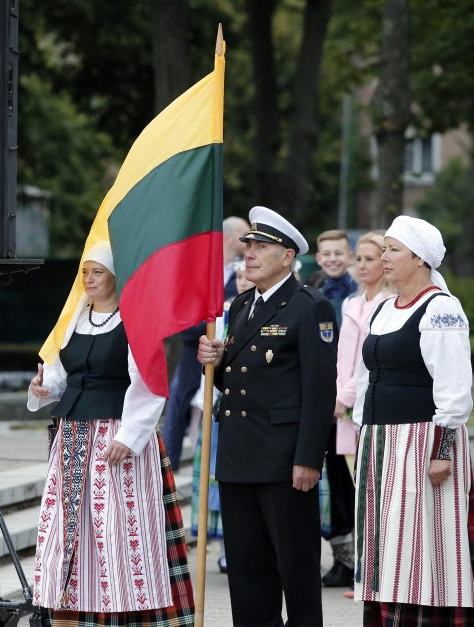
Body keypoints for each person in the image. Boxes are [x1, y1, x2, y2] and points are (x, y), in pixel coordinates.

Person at [27, 241, 194, 625]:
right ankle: (69, 609)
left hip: (115, 436)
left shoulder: (136, 320)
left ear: (117, 278)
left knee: (116, 528)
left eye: (97, 272)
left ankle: (123, 610)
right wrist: (44, 388)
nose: (88, 279)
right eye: (85, 272)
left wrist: (130, 436)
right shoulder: (74, 318)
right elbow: (60, 374)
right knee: (69, 529)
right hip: (72, 437)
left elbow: (151, 383)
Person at [197, 206, 337, 627]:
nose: (250, 254)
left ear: (288, 256)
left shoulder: (310, 307)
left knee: (295, 570)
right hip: (240, 455)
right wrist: (216, 363)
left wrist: (309, 458)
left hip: (283, 460)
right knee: (247, 571)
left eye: (261, 247)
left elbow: (318, 389)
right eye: (248, 246)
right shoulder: (241, 305)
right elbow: (239, 381)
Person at [351, 215, 474, 625]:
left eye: (394, 251)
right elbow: (365, 379)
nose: (384, 258)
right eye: (385, 249)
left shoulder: (441, 309)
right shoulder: (385, 308)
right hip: (381, 444)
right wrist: (362, 435)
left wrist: (442, 451)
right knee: (384, 547)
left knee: (421, 548)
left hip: (421, 444)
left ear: (421, 260)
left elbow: (455, 388)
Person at [323, 230, 392, 589]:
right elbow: (341, 359)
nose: (363, 266)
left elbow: (370, 362)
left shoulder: (389, 303)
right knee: (346, 485)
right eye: (360, 259)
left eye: (371, 258)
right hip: (340, 409)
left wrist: (345, 397)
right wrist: (334, 395)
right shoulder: (352, 303)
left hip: (366, 406)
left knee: (371, 486)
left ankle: (377, 567)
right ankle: (351, 562)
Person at [162, 216, 249, 470]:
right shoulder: (202, 269)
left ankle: (209, 464)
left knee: (209, 407)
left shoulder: (245, 272)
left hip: (225, 351)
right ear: (232, 237)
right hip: (193, 347)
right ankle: (170, 464)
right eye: (244, 236)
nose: (248, 242)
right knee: (178, 404)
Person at [190, 260, 254, 574]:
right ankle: (227, 547)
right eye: (238, 277)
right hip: (220, 408)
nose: (243, 281)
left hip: (254, 413)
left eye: (247, 275)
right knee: (219, 481)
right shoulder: (226, 312)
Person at [307, 229, 357, 319]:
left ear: (350, 257)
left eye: (338, 253)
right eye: (326, 254)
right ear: (318, 258)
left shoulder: (362, 294)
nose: (333, 259)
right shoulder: (310, 298)